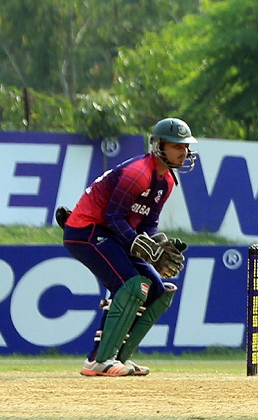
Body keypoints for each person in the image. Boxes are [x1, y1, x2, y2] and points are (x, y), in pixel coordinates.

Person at [60, 118, 197, 376]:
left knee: (157, 289)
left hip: (113, 234)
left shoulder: (166, 181)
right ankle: (97, 360)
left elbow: (149, 224)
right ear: (158, 146)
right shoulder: (138, 173)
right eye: (177, 146)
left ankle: (117, 358)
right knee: (130, 284)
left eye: (186, 147)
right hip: (86, 229)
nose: (184, 152)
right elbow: (113, 216)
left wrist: (158, 244)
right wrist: (136, 242)